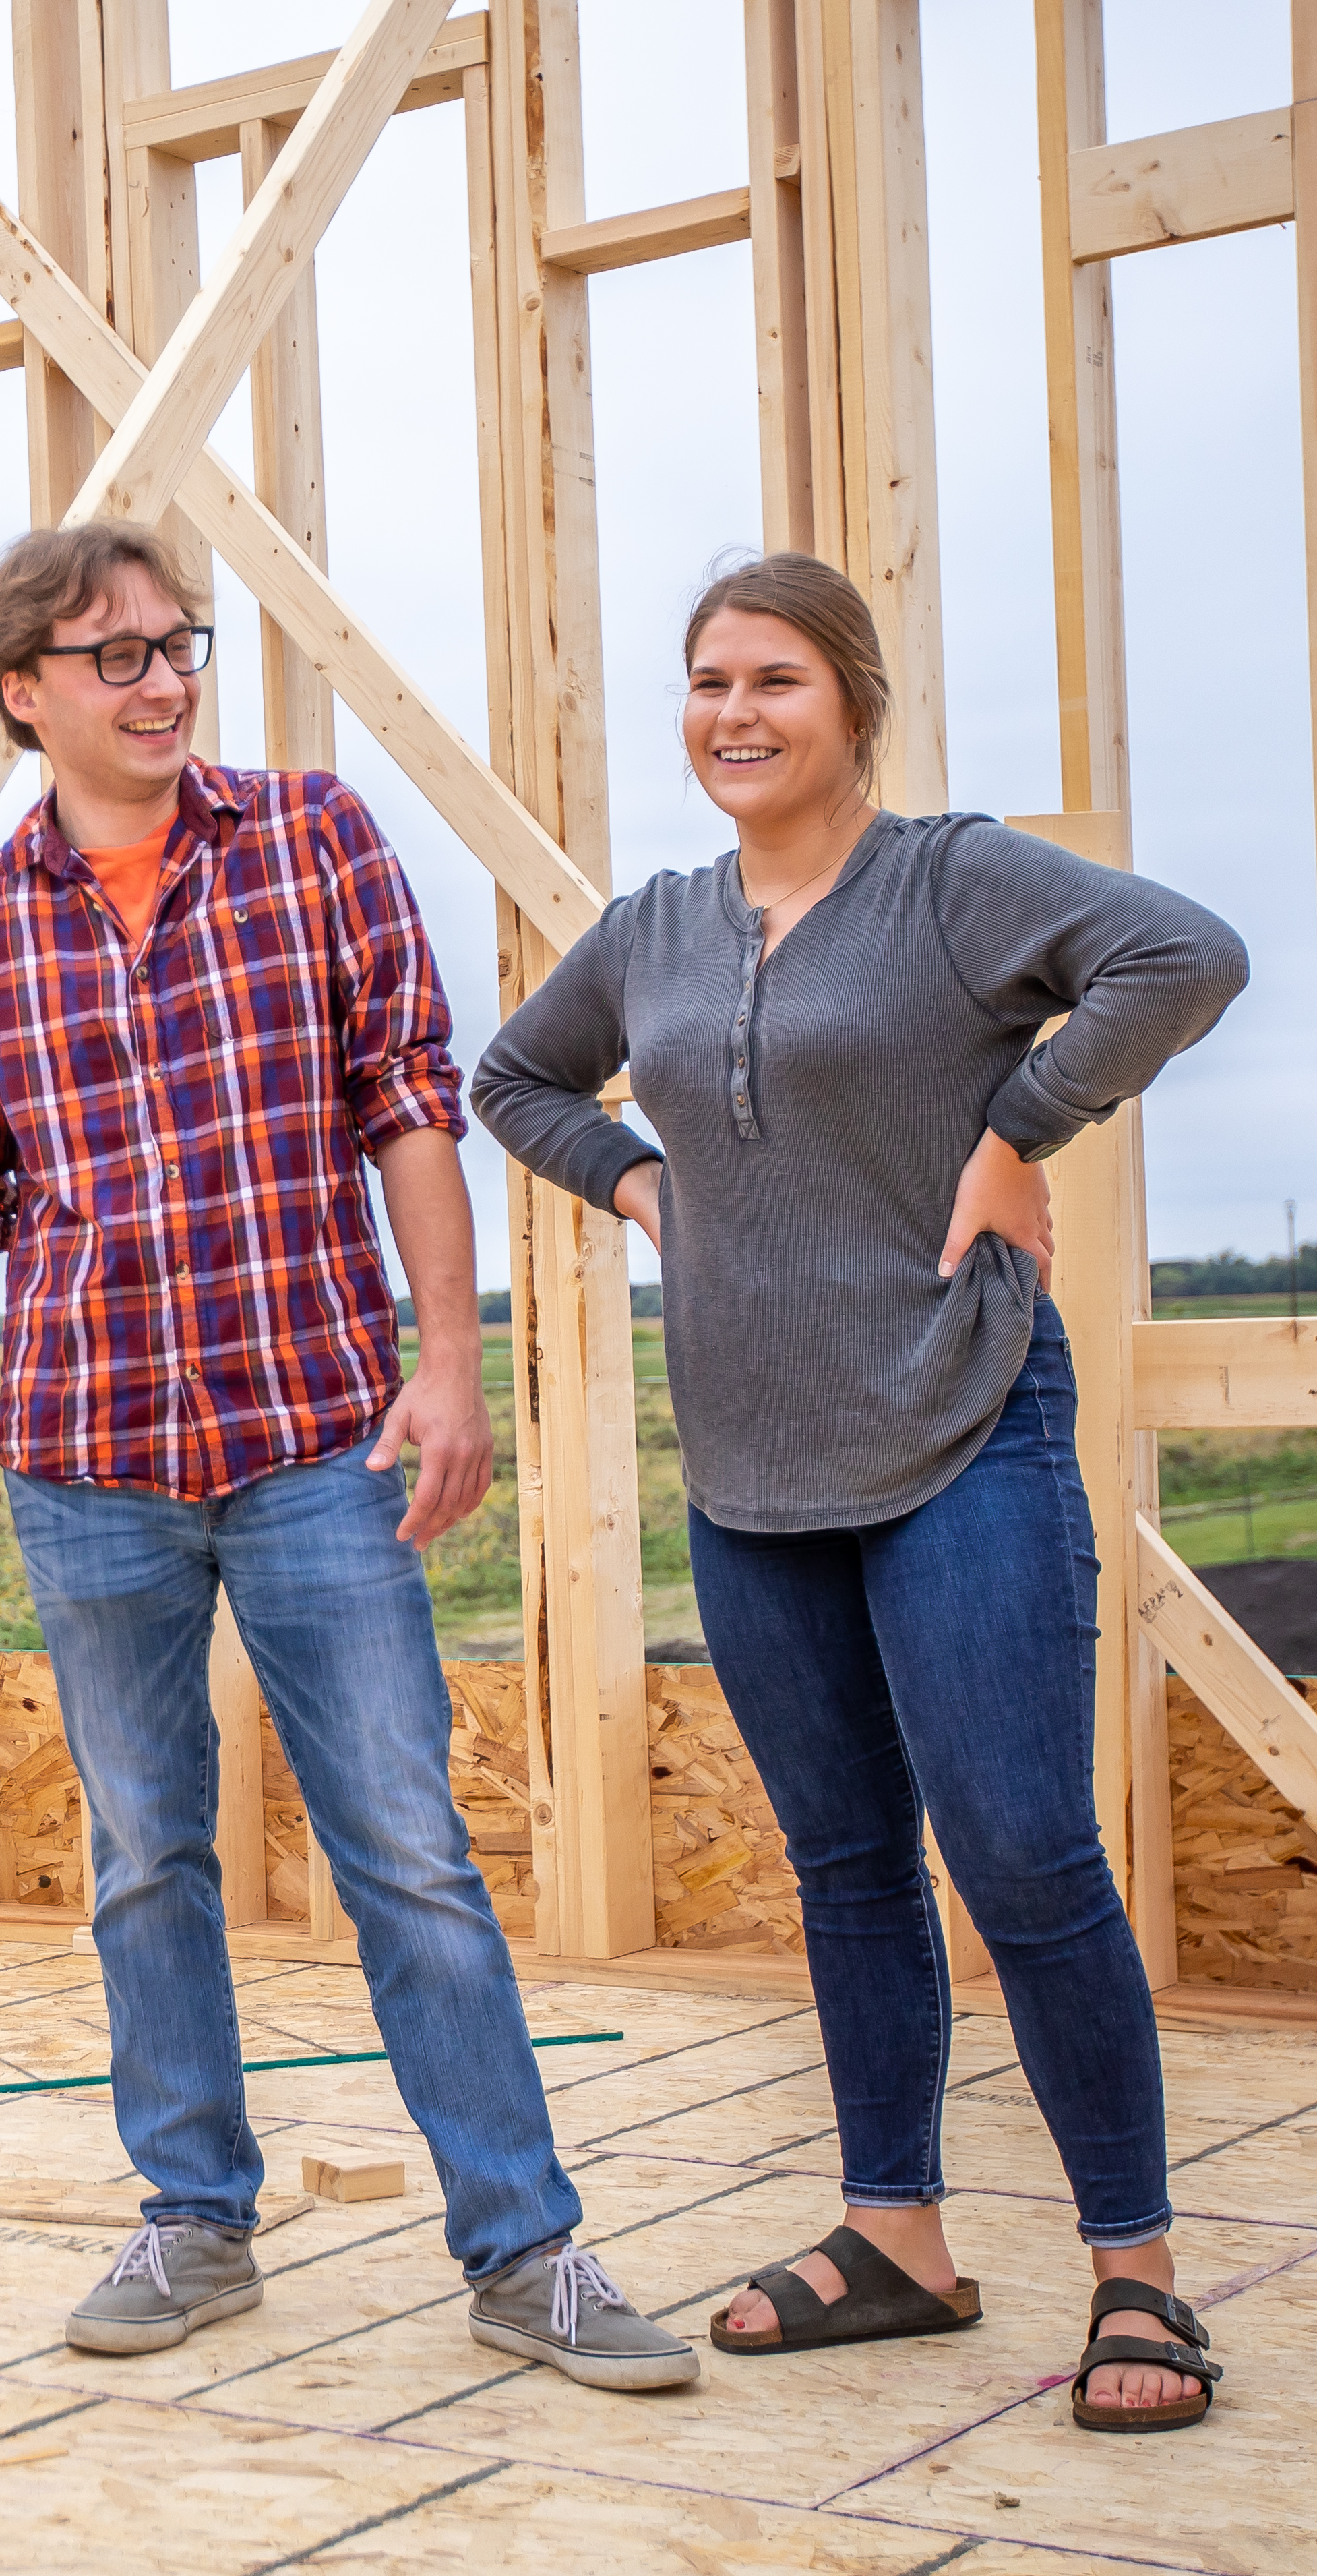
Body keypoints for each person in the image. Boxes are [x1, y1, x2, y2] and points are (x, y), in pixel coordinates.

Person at [0, 520, 692, 2393]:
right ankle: (195, 2219)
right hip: (83, 1456)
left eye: (182, 647)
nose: (165, 683)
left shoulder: (312, 837)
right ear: (25, 696)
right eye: (119, 658)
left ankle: (526, 2249)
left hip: (314, 1436)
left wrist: (450, 1364)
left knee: (407, 1849)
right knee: (146, 1855)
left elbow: (411, 1101)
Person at [472, 551, 1248, 2434]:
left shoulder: (950, 880)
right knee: (843, 1866)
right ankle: (894, 2238)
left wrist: (1021, 1130)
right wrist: (644, 1181)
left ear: (855, 704)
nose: (736, 715)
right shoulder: (656, 928)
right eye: (710, 683)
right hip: (752, 1469)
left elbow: (1184, 954)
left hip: (955, 1425)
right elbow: (514, 1078)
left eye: (778, 683)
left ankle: (1136, 2274)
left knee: (1025, 1857)